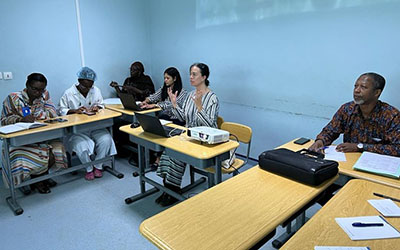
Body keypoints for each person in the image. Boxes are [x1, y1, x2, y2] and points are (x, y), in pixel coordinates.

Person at [309, 72, 400, 204]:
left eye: (363, 87)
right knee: (317, 190)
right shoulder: (347, 109)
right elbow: (330, 130)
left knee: (361, 202)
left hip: (377, 173)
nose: (357, 91)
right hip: (349, 168)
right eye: (355, 86)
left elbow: (398, 149)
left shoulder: (391, 115)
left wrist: (360, 147)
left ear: (377, 93)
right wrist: (320, 141)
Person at [155, 63, 219, 206]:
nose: (190, 77)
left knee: (177, 156)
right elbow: (184, 118)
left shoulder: (212, 98)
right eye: (190, 73)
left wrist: (199, 106)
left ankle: (172, 191)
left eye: (194, 74)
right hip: (190, 137)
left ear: (204, 77)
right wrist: (174, 104)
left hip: (205, 142)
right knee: (168, 151)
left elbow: (210, 125)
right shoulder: (191, 95)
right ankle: (169, 190)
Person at [1, 73, 68, 194]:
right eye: (35, 89)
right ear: (27, 86)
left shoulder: (44, 95)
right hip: (20, 141)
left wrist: (38, 115)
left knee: (58, 149)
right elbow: (3, 121)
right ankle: (38, 180)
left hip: (41, 136)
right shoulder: (13, 98)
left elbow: (53, 113)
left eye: (41, 90)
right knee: (37, 155)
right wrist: (19, 119)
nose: (38, 93)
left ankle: (40, 178)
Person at [59, 67, 117, 181]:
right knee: (82, 146)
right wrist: (74, 111)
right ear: (79, 81)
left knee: (106, 139)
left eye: (90, 86)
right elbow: (61, 110)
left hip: (95, 126)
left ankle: (98, 166)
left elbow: (102, 104)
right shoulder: (69, 93)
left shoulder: (95, 90)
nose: (88, 89)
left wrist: (97, 107)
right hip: (78, 129)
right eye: (85, 86)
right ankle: (89, 168)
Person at [140, 67, 188, 169]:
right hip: (165, 118)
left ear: (174, 78)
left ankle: (158, 159)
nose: (165, 80)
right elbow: (154, 96)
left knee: (163, 133)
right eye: (164, 78)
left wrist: (156, 105)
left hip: (177, 120)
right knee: (154, 129)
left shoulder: (182, 92)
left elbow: (171, 105)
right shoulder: (164, 88)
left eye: (167, 78)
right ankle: (156, 155)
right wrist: (146, 101)